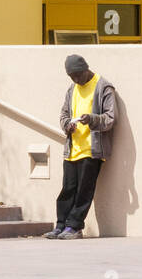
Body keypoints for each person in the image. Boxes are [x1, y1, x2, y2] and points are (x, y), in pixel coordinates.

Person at [43, 54, 115, 239]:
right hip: (72, 148)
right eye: (71, 77)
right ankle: (60, 225)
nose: (75, 80)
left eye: (77, 75)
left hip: (93, 149)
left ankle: (74, 226)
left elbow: (110, 118)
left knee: (84, 190)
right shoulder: (72, 89)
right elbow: (64, 114)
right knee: (67, 189)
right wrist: (67, 125)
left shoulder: (103, 87)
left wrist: (92, 119)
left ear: (86, 69)